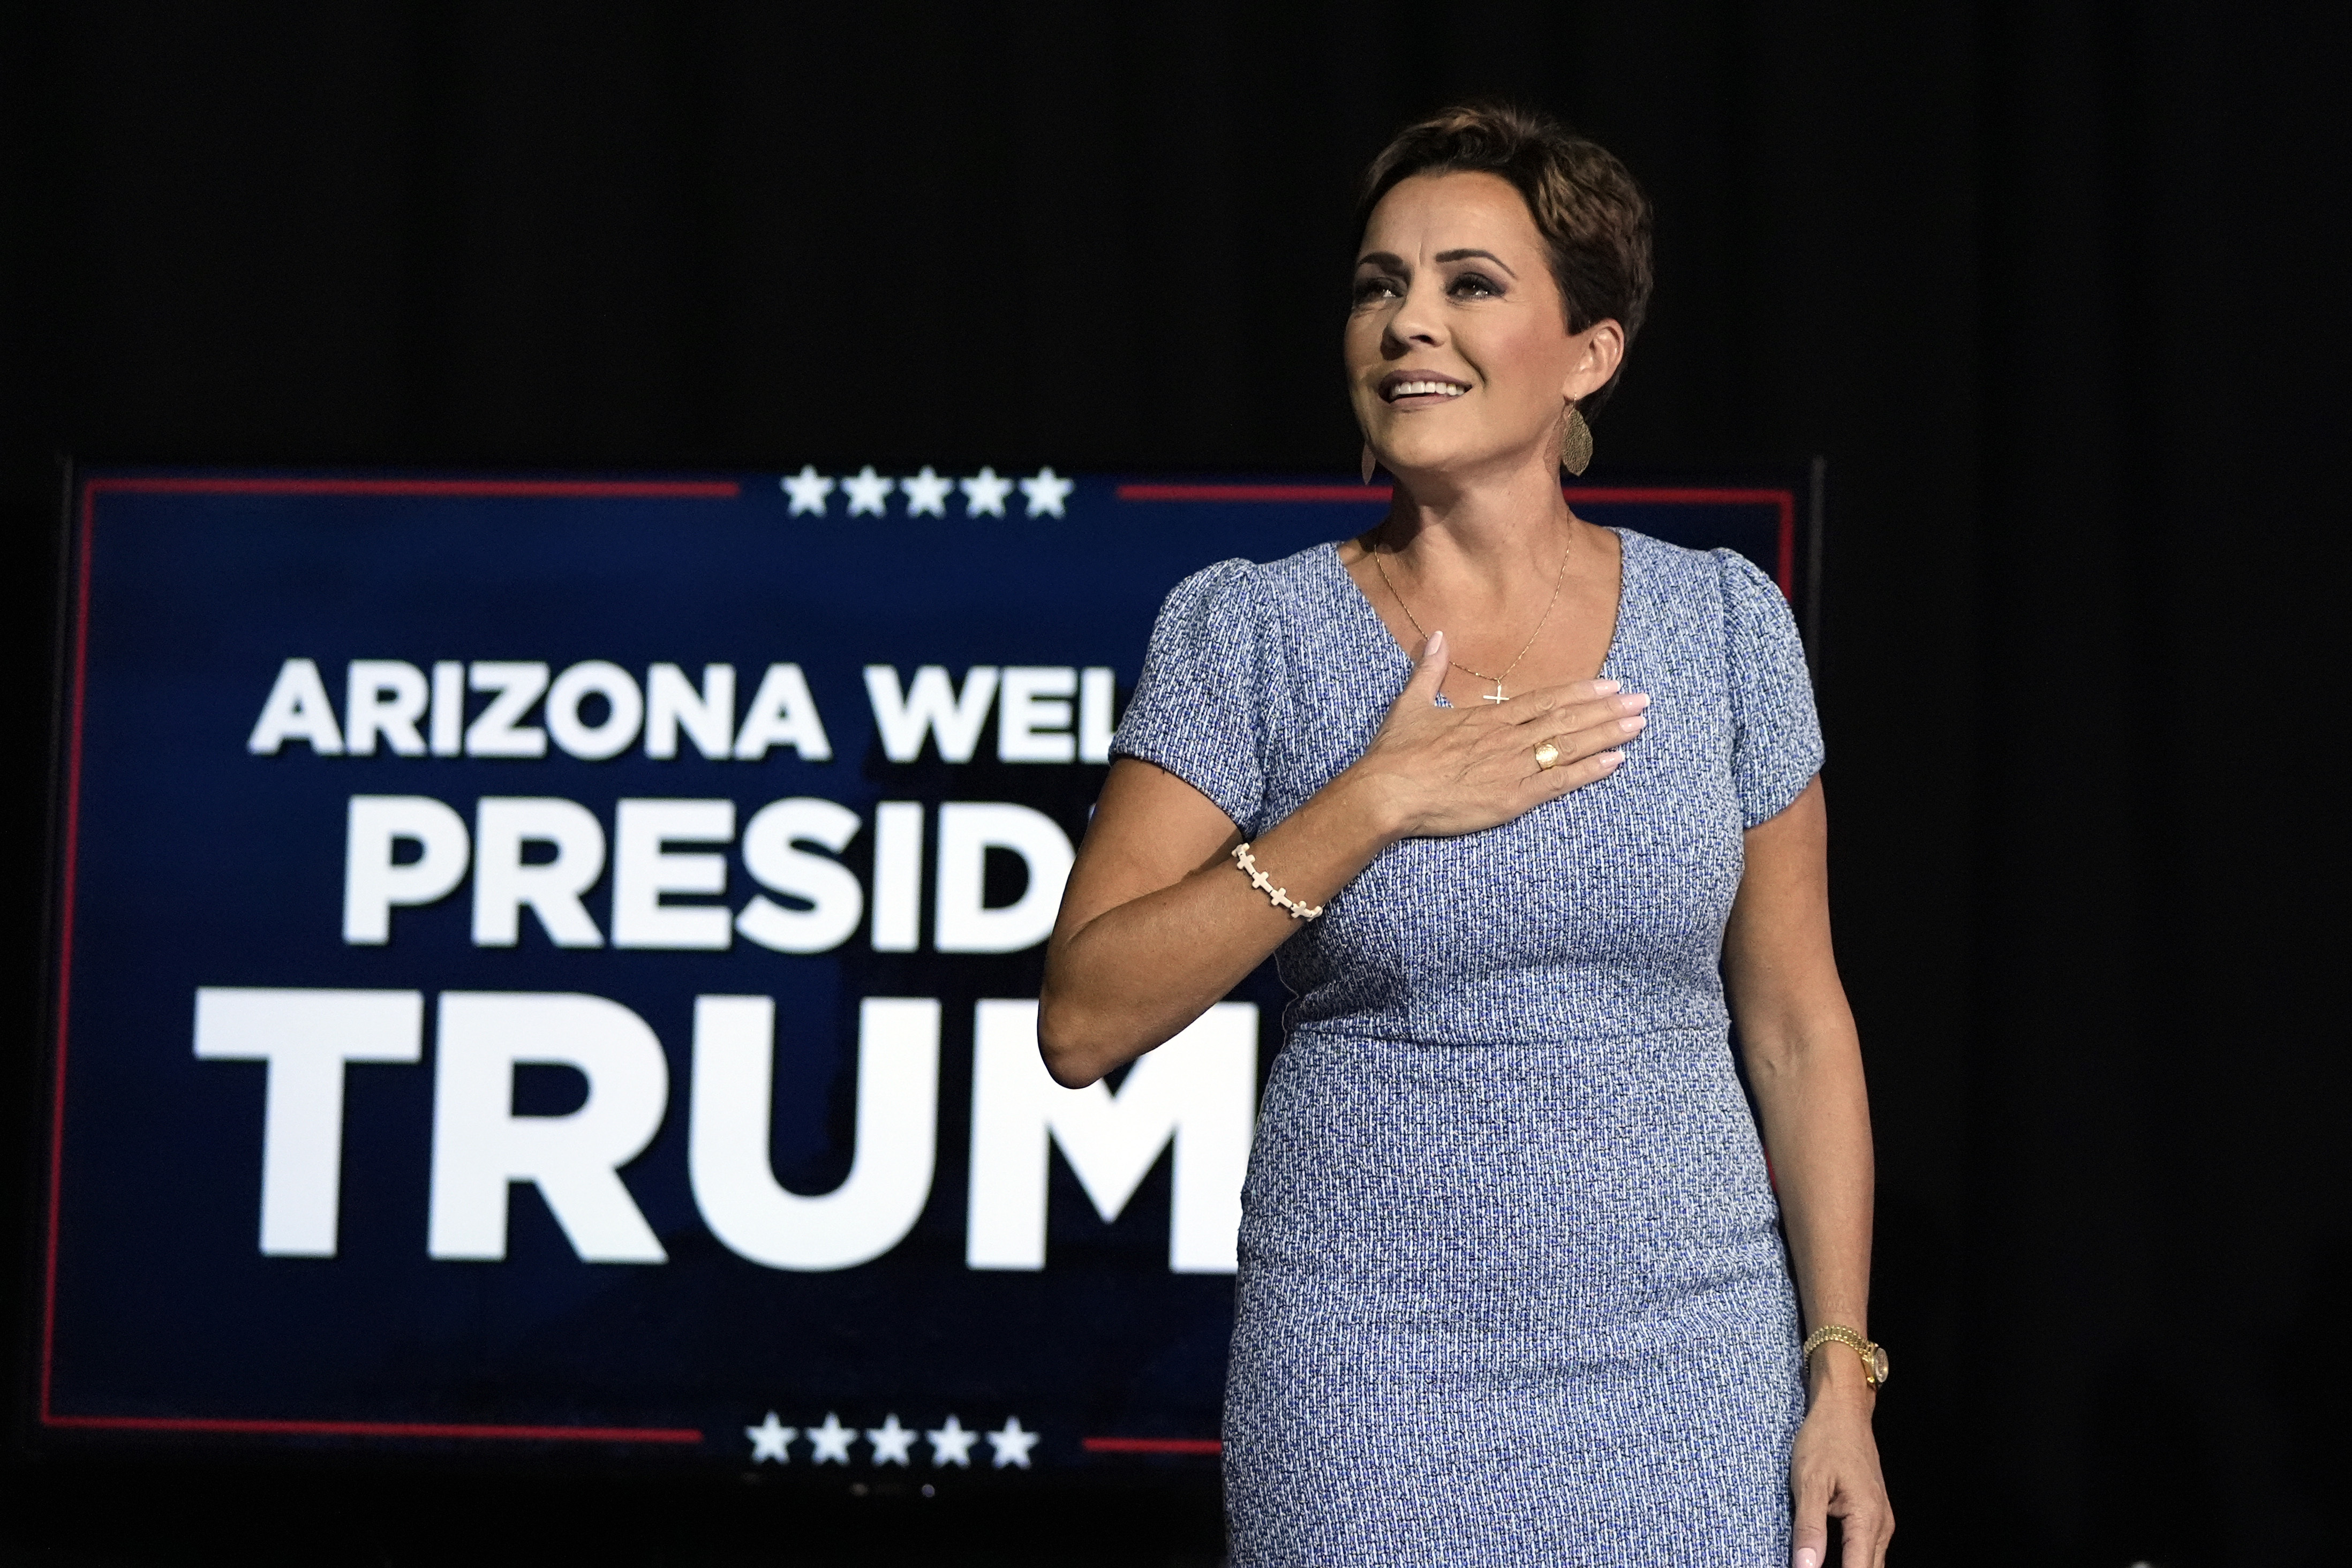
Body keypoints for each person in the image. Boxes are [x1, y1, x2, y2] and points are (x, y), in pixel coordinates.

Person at [1037, 103, 1892, 1566]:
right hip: (1372, 1373)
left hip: (1686, 1367)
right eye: (1380, 285)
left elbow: (1799, 1025)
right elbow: (1083, 1019)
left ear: (1591, 354)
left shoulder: (1726, 623)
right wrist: (1371, 806)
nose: (1407, 323)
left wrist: (1841, 1375)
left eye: (1469, 285)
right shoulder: (1248, 631)